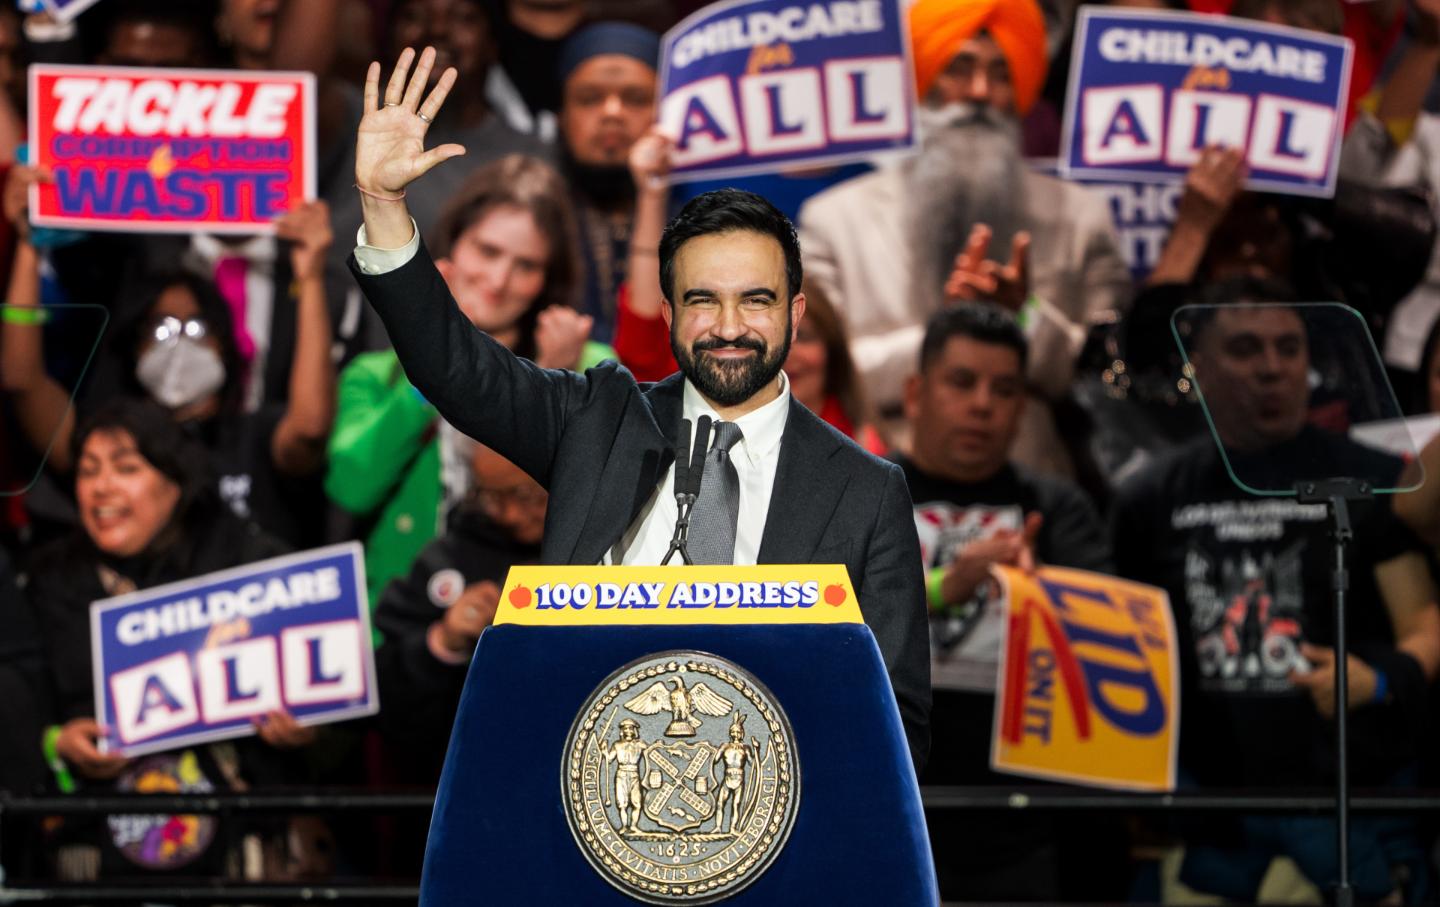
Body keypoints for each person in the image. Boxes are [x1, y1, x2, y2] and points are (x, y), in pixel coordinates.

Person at [347, 48, 930, 767]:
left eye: (756, 299)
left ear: (796, 312)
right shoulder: (595, 421)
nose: (729, 327)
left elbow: (897, 723)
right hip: (586, 798)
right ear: (669, 313)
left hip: (770, 814)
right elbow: (455, 367)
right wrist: (384, 207)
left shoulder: (867, 490)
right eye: (702, 300)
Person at [1112, 289, 1440, 903]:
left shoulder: (1370, 478)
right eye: (1246, 348)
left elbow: (1424, 620)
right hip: (1213, 823)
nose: (1272, 368)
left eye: (1289, 348)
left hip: (1349, 815)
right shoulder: (1150, 496)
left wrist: (1378, 679)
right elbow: (1121, 648)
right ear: (1199, 366)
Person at [797, 0, 1131, 475]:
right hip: (878, 485)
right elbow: (819, 373)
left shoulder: (1080, 217)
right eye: (959, 68)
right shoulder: (835, 220)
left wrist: (1025, 316)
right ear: (924, 78)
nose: (979, 92)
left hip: (1032, 487)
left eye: (1001, 74)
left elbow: (1105, 381)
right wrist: (944, 329)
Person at [23, 399, 321, 881]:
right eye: (88, 470)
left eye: (126, 468)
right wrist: (60, 743)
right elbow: (23, 707)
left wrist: (309, 727)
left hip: (238, 850)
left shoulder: (251, 566)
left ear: (176, 481)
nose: (102, 487)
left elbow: (337, 694)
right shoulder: (51, 579)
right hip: (94, 855)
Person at [328, 154, 611, 609]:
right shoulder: (375, 373)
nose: (499, 280)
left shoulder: (587, 364)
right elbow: (351, 488)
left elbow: (604, 508)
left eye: (526, 265)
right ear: (452, 245)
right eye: (487, 251)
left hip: (532, 613)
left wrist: (550, 378)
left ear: (548, 279)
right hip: (403, 618)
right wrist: (437, 352)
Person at [899, 304, 1112, 900]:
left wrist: (1050, 600)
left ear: (1022, 408)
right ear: (915, 394)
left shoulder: (1059, 509)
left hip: (1031, 822)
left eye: (1005, 390)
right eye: (962, 382)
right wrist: (943, 588)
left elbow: (1111, 653)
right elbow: (827, 616)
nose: (983, 405)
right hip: (897, 804)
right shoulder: (864, 493)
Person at [0, 168, 336, 547]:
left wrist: (311, 278)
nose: (179, 344)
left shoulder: (251, 439)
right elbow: (22, 381)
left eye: (196, 328)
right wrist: (29, 246)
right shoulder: (106, 449)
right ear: (135, 348)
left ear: (224, 345)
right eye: (161, 329)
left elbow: (310, 428)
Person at [372, 442, 547, 786]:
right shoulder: (446, 560)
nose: (510, 514)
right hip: (463, 777)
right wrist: (443, 642)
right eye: (492, 496)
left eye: (526, 495)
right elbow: (387, 700)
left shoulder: (617, 550)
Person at [555, 21, 660, 342]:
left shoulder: (705, 212)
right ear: (562, 116)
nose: (612, 113)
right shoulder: (533, 209)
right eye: (589, 99)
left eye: (636, 99)